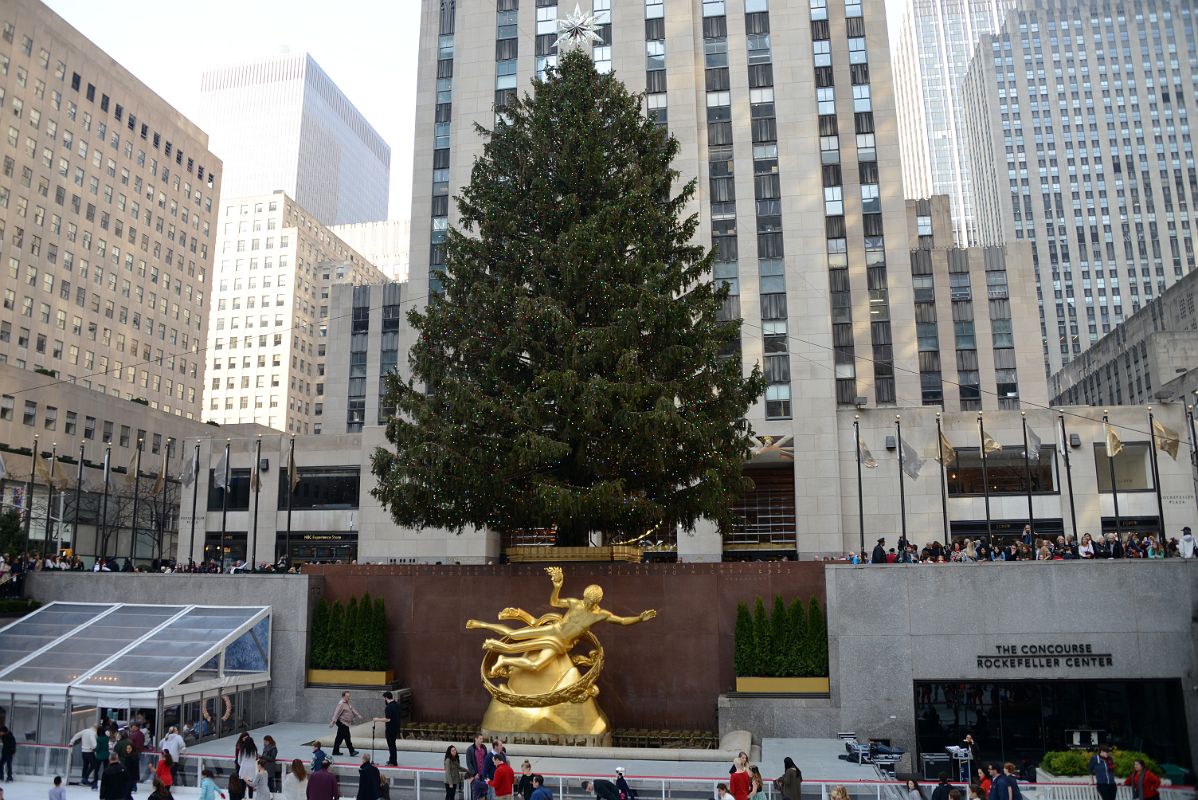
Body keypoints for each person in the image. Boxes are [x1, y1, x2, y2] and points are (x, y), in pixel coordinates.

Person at [329, 692, 362, 757]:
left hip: (345, 723)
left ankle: (335, 751)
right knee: (347, 737)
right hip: (342, 723)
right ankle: (352, 751)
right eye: (347, 696)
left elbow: (352, 709)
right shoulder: (341, 704)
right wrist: (332, 722)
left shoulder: (347, 703)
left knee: (339, 738)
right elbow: (336, 713)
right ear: (343, 697)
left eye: (349, 696)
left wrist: (358, 714)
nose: (349, 698)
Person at [71, 722, 99, 788]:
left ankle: (83, 779)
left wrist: (71, 742)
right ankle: (85, 778)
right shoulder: (93, 733)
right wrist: (95, 747)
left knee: (85, 765)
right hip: (90, 751)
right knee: (94, 765)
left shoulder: (84, 731)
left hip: (83, 751)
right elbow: (93, 740)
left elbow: (76, 735)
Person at [380, 692, 401, 767]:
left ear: (386, 698)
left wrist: (377, 719)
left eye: (384, 698)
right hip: (396, 728)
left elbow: (388, 719)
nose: (384, 700)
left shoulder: (388, 707)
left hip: (390, 729)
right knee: (393, 745)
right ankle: (392, 759)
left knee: (391, 745)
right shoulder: (397, 704)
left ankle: (393, 761)